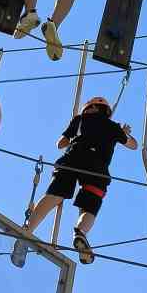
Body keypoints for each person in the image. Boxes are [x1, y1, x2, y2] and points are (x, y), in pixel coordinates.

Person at [11, 96, 137, 266]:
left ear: (89, 108)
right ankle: (80, 233)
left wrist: (76, 137)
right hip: (97, 167)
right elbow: (133, 145)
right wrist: (124, 133)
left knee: (54, 195)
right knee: (90, 206)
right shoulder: (113, 127)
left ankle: (27, 231)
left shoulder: (79, 120)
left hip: (73, 157)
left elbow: (60, 144)